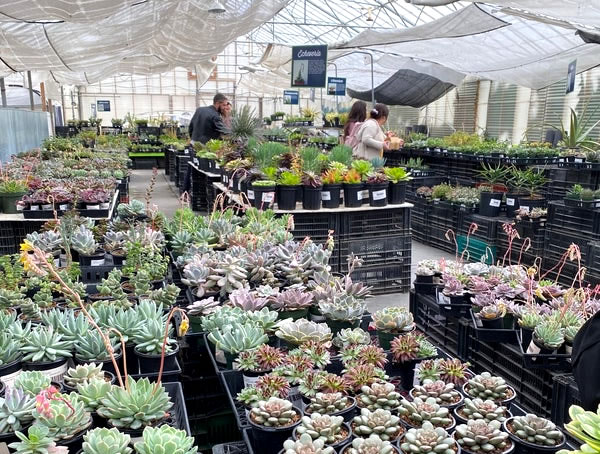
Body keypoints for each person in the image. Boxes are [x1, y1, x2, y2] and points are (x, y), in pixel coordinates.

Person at [184, 93, 231, 191]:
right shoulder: (215, 116)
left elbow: (191, 127)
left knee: (192, 167)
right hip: (207, 149)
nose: (225, 107)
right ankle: (203, 191)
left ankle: (185, 190)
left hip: (194, 144)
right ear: (218, 103)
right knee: (207, 172)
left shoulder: (199, 110)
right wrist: (226, 116)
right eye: (224, 105)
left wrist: (193, 139)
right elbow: (226, 132)